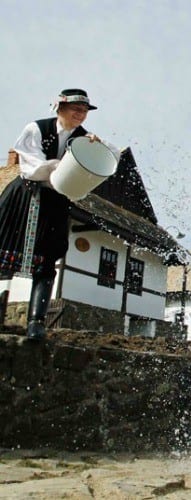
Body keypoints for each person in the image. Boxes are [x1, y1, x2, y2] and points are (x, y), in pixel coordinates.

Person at [0, 89, 116, 339]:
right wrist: (64, 164)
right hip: (25, 194)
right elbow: (33, 166)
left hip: (55, 201)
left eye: (84, 111)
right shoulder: (36, 129)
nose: (80, 114)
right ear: (59, 108)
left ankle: (36, 322)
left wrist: (94, 150)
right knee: (4, 249)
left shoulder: (86, 140)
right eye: (76, 108)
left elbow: (96, 171)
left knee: (47, 257)